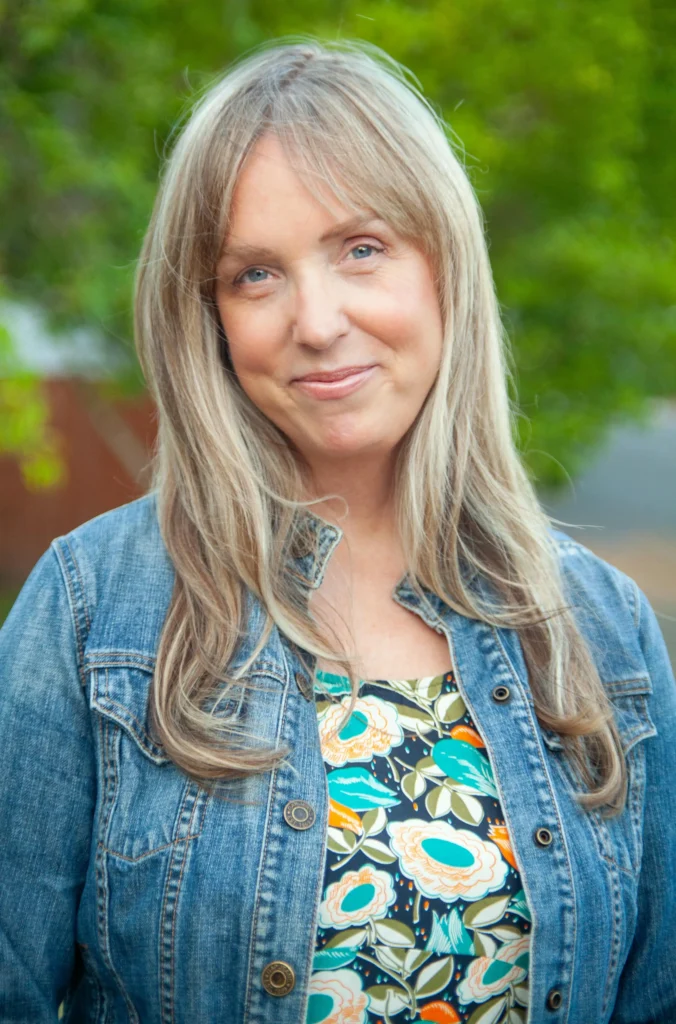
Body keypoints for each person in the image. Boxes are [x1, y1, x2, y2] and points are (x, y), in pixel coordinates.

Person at [0, 37, 674, 1024]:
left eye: (362, 248)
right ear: (209, 317)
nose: (315, 321)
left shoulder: (601, 631)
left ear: (444, 268)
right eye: (255, 274)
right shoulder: (91, 610)